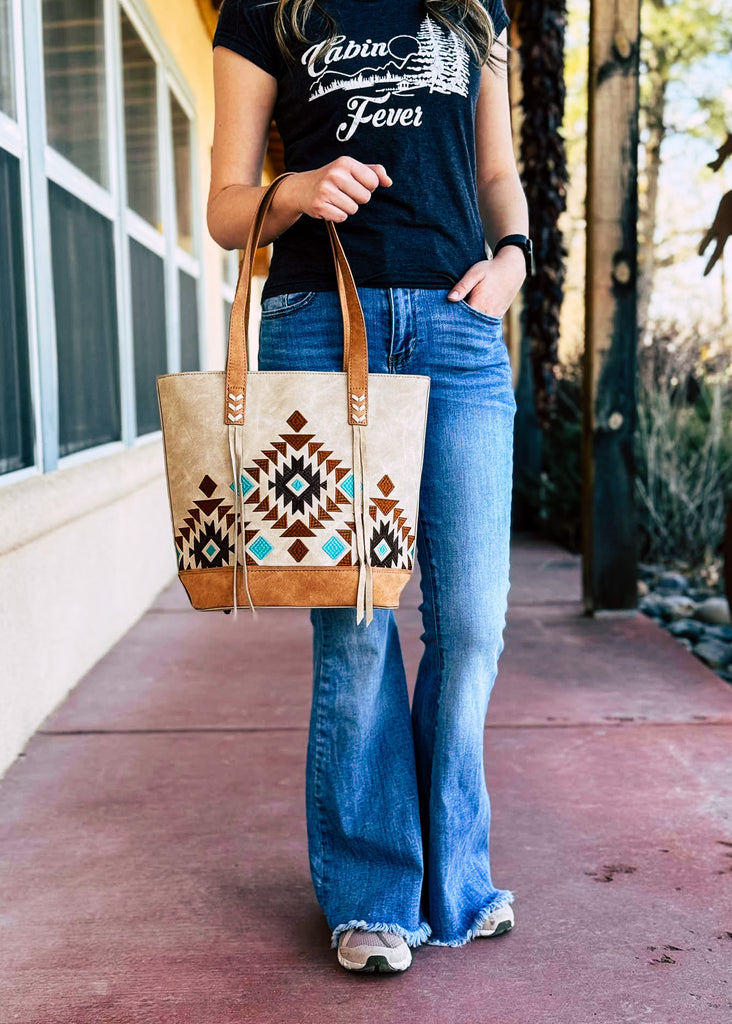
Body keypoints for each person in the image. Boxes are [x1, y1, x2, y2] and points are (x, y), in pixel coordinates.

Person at [207, 0, 530, 974]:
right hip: (319, 323)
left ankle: (454, 880)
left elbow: (498, 170)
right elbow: (226, 208)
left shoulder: (476, 8)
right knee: (354, 622)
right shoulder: (265, 12)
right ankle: (374, 893)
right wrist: (295, 188)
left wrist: (514, 260)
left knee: (472, 619)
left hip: (460, 328)